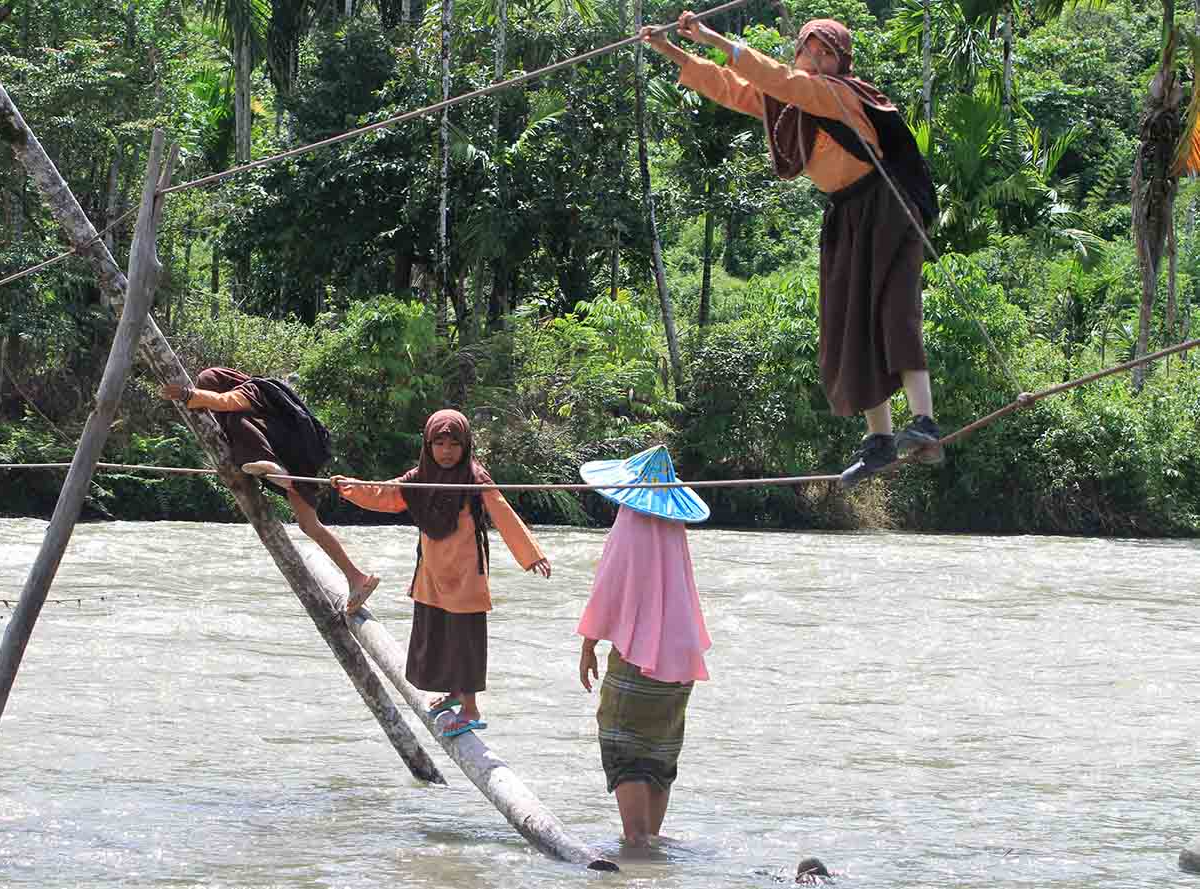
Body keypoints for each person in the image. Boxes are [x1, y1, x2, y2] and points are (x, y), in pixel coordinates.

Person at [641, 14, 945, 487]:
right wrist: (672, 50)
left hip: (886, 206)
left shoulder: (838, 94)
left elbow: (777, 78)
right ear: (798, 51)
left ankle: (924, 422)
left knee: (894, 311)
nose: (818, 61)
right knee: (849, 324)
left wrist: (712, 37)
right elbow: (728, 86)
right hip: (845, 214)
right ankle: (879, 441)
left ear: (841, 64)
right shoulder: (786, 106)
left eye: (829, 54)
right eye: (811, 51)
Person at [332, 409, 551, 738]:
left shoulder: (474, 477)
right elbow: (386, 494)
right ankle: (451, 693)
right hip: (433, 572)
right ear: (428, 444)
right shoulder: (421, 477)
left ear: (466, 446)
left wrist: (531, 555)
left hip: (465, 574)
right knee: (436, 633)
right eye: (439, 443)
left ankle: (471, 709)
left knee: (464, 638)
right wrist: (350, 488)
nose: (446, 451)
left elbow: (501, 510)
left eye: (454, 444)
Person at [576, 445, 711, 848]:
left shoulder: (630, 522)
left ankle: (636, 841)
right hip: (682, 657)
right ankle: (649, 839)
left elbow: (609, 589)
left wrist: (588, 646)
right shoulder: (674, 529)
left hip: (641, 657)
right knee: (659, 749)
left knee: (622, 740)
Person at [163, 367, 378, 605]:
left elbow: (226, 400)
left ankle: (273, 468)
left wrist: (188, 395)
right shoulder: (243, 404)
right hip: (288, 462)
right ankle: (357, 578)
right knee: (309, 525)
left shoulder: (252, 389)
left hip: (290, 454)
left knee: (236, 417)